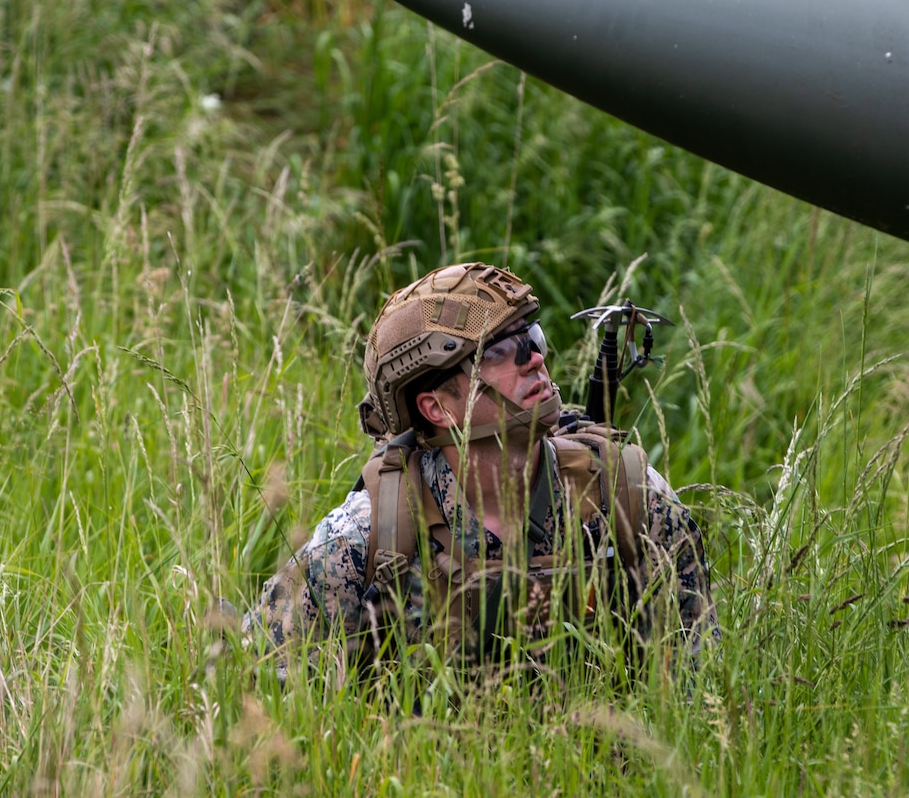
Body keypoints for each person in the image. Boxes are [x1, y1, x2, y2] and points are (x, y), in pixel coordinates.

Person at [244, 262, 717, 675]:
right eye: (496, 352)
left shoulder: (627, 499)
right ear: (437, 407)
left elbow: (701, 676)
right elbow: (261, 680)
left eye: (531, 337)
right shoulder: (370, 539)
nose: (535, 359)